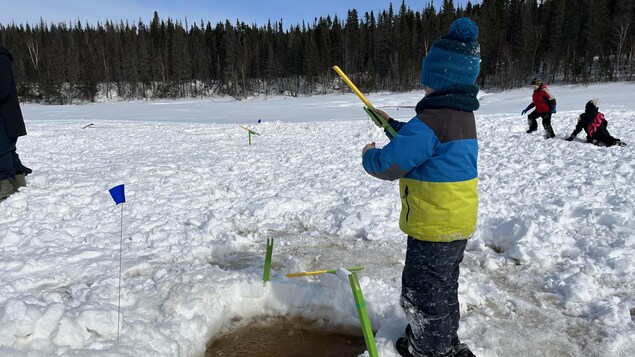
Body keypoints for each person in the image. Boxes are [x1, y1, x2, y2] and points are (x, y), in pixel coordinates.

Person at [361, 18, 479, 357]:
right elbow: (422, 143)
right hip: (454, 222)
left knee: (424, 293)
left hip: (433, 224)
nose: (424, 86)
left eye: (427, 80)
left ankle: (429, 350)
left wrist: (370, 155)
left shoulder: (432, 119)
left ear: (439, 79)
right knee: (442, 288)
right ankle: (443, 342)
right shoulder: (457, 115)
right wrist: (390, 125)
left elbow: (390, 165)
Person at [0, 44, 32, 201]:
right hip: (6, 115)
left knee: (2, 149)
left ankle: (5, 186)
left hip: (5, 115)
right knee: (8, 148)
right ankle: (18, 179)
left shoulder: (1, 58)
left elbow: (2, 88)